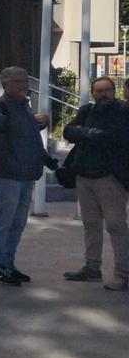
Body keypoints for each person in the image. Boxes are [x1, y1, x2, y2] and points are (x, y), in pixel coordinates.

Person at [62, 76, 129, 289]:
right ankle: (92, 267)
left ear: (114, 91)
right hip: (84, 175)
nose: (103, 94)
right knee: (90, 224)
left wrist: (84, 134)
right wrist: (89, 132)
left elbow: (115, 137)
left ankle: (123, 272)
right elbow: (68, 131)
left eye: (107, 90)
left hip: (110, 176)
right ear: (93, 93)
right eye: (99, 91)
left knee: (116, 225)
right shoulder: (86, 111)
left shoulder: (122, 112)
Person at [0, 67, 49, 285]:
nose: (24, 85)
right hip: (7, 174)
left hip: (26, 173)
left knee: (18, 222)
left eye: (25, 80)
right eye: (19, 81)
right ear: (6, 84)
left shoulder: (25, 107)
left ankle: (8, 263)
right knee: (4, 221)